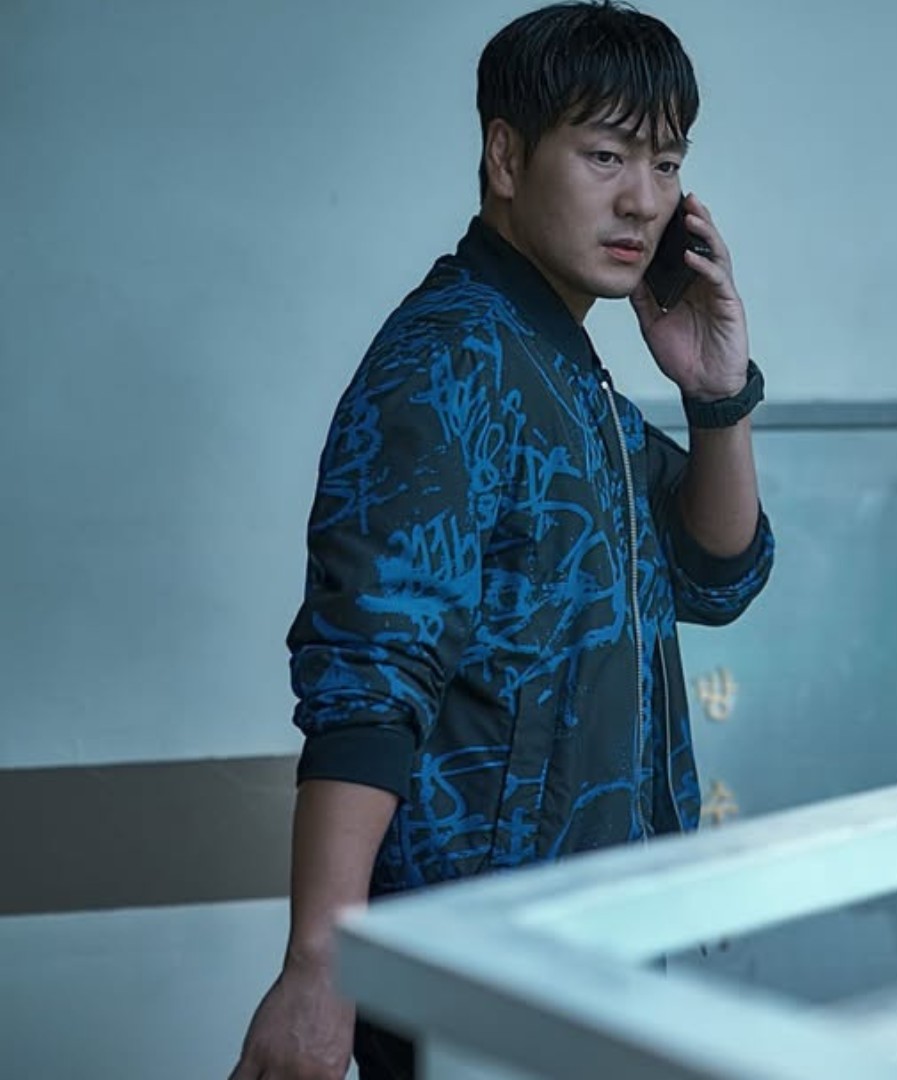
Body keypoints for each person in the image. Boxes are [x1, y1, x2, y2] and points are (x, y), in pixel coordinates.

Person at [229, 4, 774, 1077]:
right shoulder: (448, 361)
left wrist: (716, 392)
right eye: (606, 155)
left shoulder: (565, 368)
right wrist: (320, 968)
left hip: (590, 951)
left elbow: (716, 570)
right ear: (507, 156)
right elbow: (368, 680)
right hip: (478, 970)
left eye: (667, 164)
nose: (644, 199)